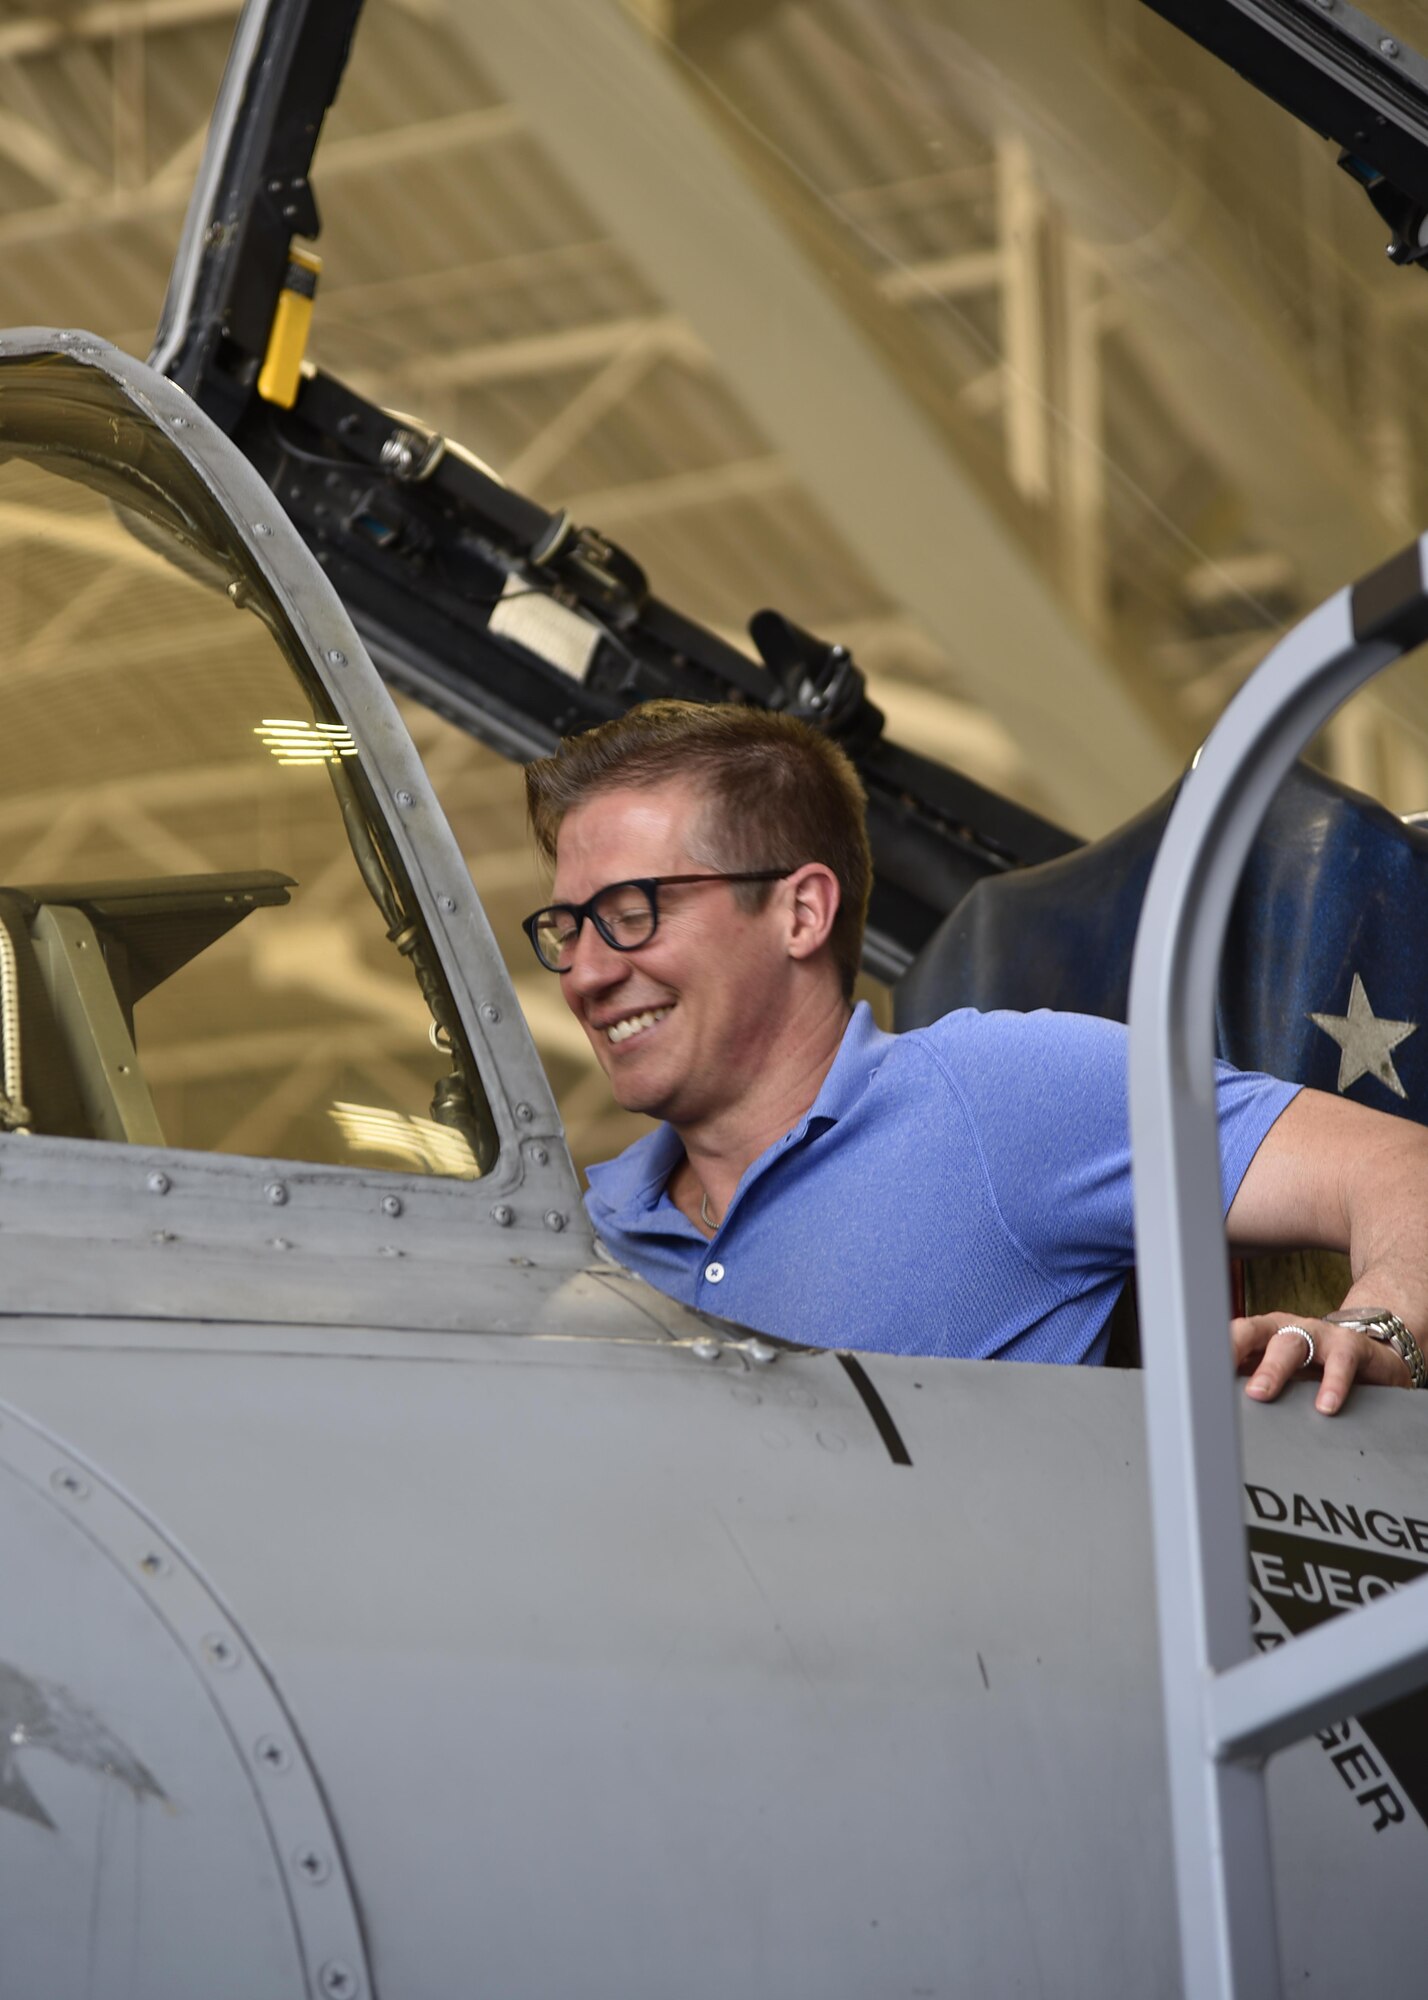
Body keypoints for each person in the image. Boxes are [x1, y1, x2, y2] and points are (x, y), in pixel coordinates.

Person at [522, 700, 1428, 1413]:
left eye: (633, 911)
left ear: (800, 913)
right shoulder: (580, 1236)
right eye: (565, 928)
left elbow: (1402, 1168)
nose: (587, 973)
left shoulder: (998, 1096)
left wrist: (1379, 1329)